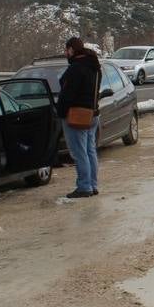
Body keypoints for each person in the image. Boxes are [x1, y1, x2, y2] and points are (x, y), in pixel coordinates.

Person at [57, 37, 101, 198]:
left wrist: (60, 112)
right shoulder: (95, 67)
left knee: (79, 152)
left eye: (66, 50)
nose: (65, 53)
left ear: (72, 50)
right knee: (90, 151)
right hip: (93, 113)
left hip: (76, 115)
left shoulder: (76, 68)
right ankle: (92, 184)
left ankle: (84, 187)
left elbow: (67, 95)